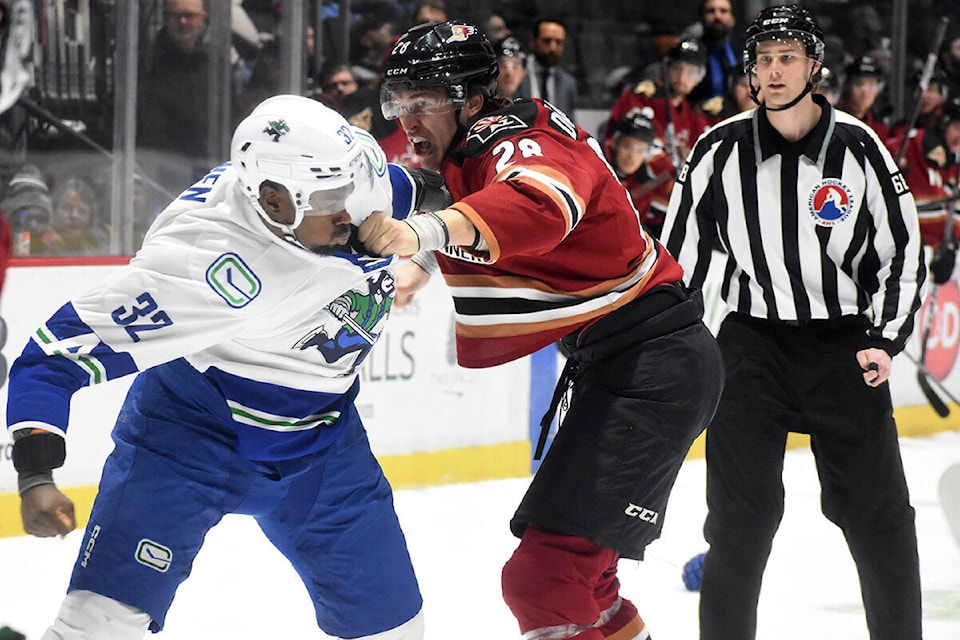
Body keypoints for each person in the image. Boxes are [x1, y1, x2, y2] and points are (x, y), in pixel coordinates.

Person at [6, 95, 451, 640]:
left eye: (352, 193)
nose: (352, 213)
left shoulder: (353, 179)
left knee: (397, 631)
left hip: (325, 448)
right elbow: (53, 355)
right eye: (330, 202)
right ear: (273, 200)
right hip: (190, 442)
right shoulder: (201, 265)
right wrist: (34, 473)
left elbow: (437, 192)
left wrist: (426, 249)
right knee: (96, 627)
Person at [363, 20, 724, 640]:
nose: (407, 121)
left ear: (471, 101)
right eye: (399, 104)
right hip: (634, 365)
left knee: (543, 579)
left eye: (422, 103)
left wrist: (422, 234)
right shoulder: (477, 148)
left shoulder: (516, 138)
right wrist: (424, 260)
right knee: (588, 585)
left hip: (652, 369)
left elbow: (541, 205)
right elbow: (480, 200)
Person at [660, 6, 926, 640]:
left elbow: (902, 250)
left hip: (844, 347)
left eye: (787, 58)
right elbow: (678, 263)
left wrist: (886, 338)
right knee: (737, 524)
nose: (773, 72)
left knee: (879, 517)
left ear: (813, 66)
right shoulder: (718, 149)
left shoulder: (858, 147)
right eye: (763, 60)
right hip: (750, 347)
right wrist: (674, 344)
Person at [606, 38, 712, 168]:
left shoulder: (694, 115)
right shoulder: (642, 97)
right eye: (677, 69)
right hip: (633, 183)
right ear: (667, 69)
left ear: (699, 78)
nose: (682, 77)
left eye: (691, 72)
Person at [892, 95, 960, 249]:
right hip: (911, 248)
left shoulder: (953, 162)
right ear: (944, 124)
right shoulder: (910, 146)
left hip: (945, 252)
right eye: (957, 128)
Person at [606, 107, 675, 238]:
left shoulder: (645, 187)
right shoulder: (595, 167)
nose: (632, 156)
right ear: (615, 143)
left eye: (640, 150)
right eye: (627, 147)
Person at [517, 17, 578, 118]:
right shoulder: (516, 75)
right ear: (533, 42)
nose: (553, 48)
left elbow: (571, 124)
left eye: (558, 42)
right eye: (547, 41)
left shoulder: (568, 83)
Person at [684, 0, 742, 105]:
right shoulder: (689, 53)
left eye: (723, 11)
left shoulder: (743, 51)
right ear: (702, 18)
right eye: (711, 11)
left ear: (733, 19)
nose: (717, 16)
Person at [37, 175, 109, 256]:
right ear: (53, 210)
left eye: (82, 211)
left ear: (91, 218)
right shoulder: (38, 240)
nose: (74, 216)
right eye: (67, 208)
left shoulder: (99, 245)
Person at [837, 55, 890, 141]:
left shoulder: (879, 125)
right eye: (859, 84)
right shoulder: (835, 117)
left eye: (871, 85)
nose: (865, 92)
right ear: (847, 85)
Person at [495, 35, 528, 101]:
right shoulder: (476, 106)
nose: (509, 72)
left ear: (523, 73)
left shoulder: (528, 108)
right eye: (503, 65)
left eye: (515, 66)